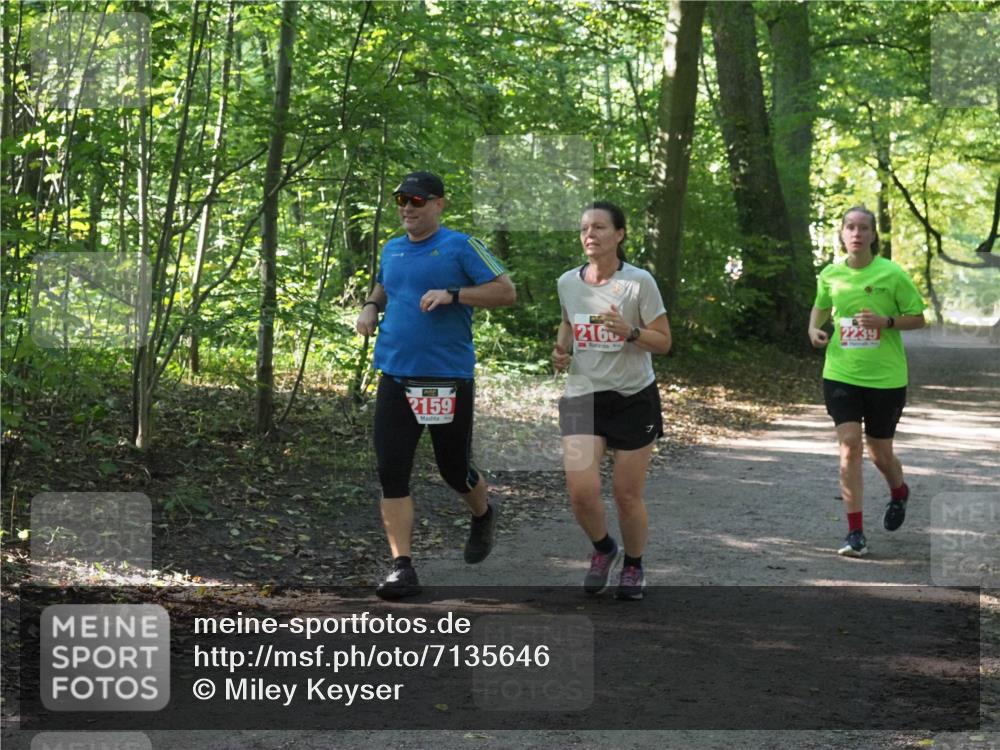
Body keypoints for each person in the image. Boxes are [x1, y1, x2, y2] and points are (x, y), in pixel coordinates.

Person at [355, 171, 516, 599]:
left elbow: (506, 292)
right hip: (395, 375)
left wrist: (454, 294)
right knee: (391, 471)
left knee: (453, 469)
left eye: (417, 200)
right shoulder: (392, 248)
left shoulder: (462, 246)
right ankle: (402, 567)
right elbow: (385, 283)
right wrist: (370, 306)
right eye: (401, 200)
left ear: (439, 204)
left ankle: (482, 515)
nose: (407, 207)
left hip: (445, 380)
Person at [552, 201, 671, 600]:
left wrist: (630, 331)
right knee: (581, 492)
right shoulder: (567, 282)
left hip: (632, 398)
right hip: (581, 397)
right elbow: (568, 322)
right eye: (585, 228)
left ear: (619, 235)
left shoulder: (639, 282)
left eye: (600, 227)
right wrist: (562, 348)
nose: (590, 234)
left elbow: (664, 342)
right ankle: (604, 548)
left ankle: (634, 565)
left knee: (625, 494)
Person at [808, 205, 926, 557]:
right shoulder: (831, 273)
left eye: (863, 228)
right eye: (850, 227)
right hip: (841, 373)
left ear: (873, 235)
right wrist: (813, 328)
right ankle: (855, 533)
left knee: (880, 452)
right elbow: (821, 306)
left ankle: (899, 491)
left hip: (886, 378)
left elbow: (918, 317)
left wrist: (885, 322)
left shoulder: (892, 273)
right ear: (842, 233)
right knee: (849, 445)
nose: (856, 233)